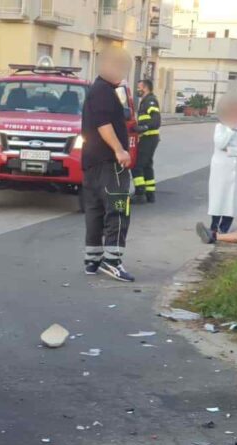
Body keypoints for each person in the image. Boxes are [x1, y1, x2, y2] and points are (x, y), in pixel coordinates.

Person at [81, 46, 135, 282]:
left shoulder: (98, 89)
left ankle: (92, 260)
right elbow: (104, 125)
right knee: (118, 210)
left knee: (95, 211)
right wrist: (119, 150)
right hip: (109, 164)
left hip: (92, 164)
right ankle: (112, 261)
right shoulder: (103, 91)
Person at [202, 92, 237, 238]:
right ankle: (214, 227)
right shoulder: (220, 127)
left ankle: (224, 228)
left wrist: (230, 151)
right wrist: (231, 130)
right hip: (221, 168)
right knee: (219, 197)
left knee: (233, 199)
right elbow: (219, 143)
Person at [132, 79, 161, 204]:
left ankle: (139, 193)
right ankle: (150, 194)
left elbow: (156, 120)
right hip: (148, 138)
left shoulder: (150, 101)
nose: (137, 90)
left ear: (145, 88)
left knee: (137, 166)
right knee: (147, 165)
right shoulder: (145, 101)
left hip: (149, 137)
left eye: (139, 88)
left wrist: (144, 128)